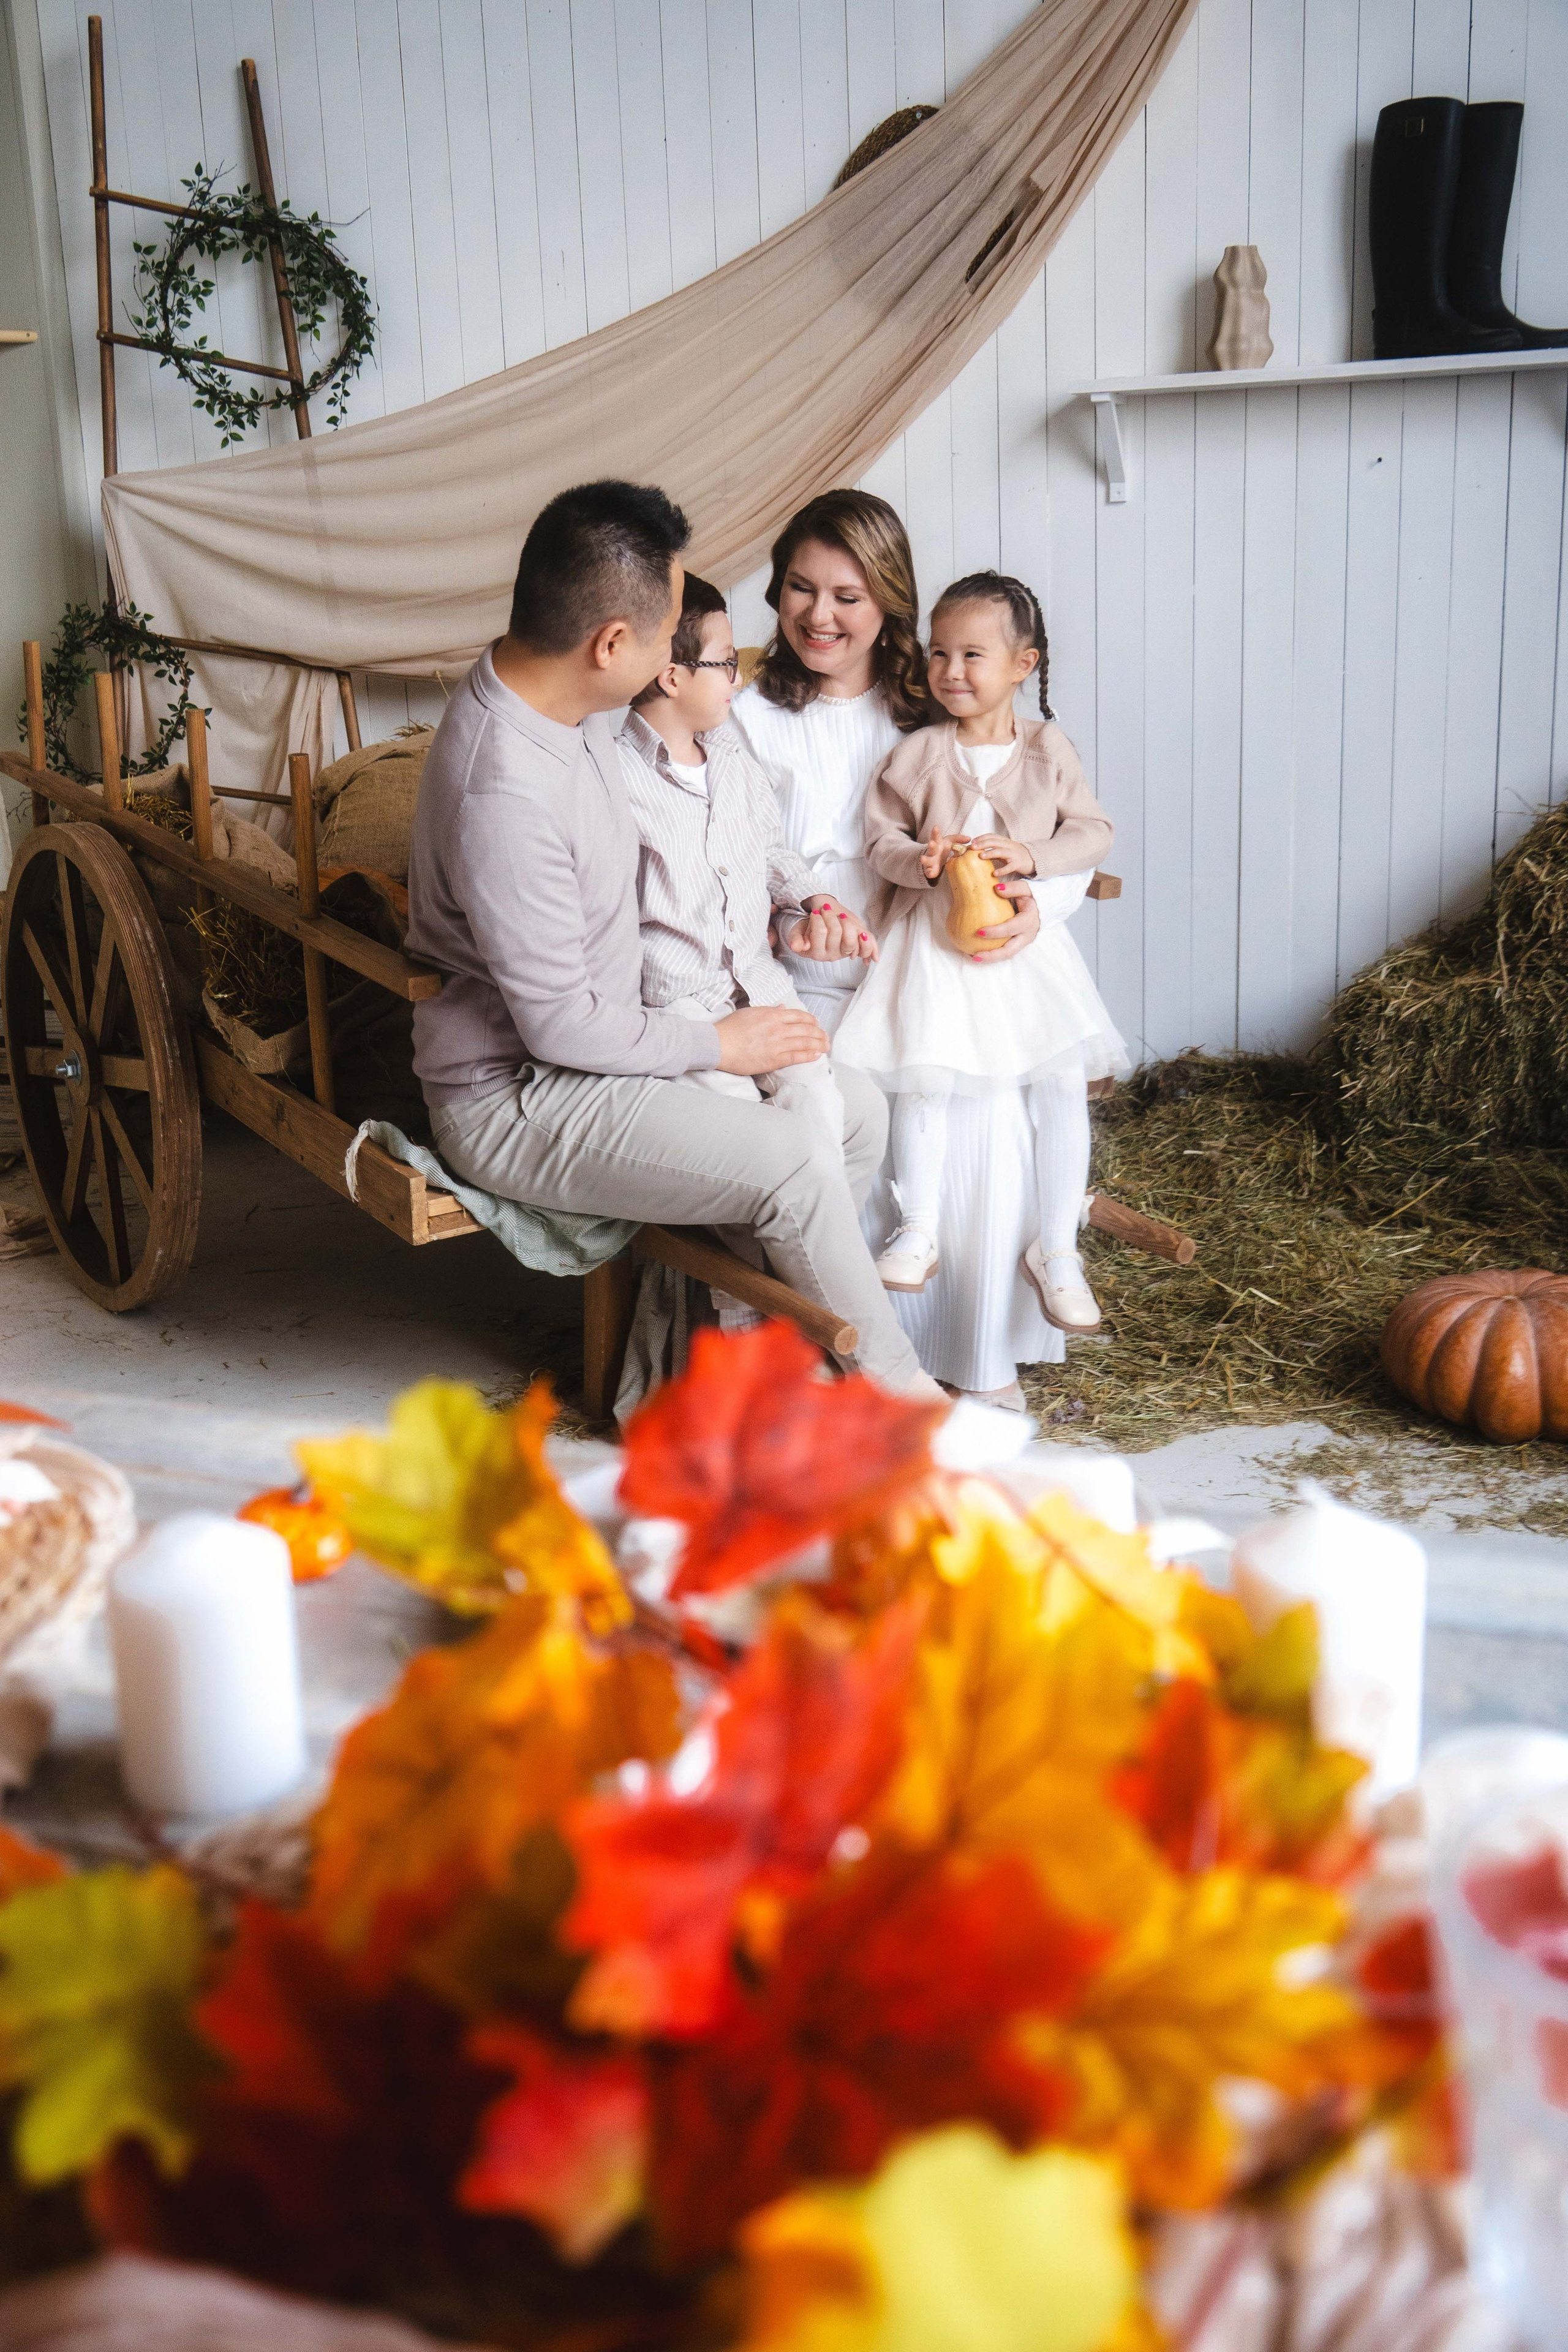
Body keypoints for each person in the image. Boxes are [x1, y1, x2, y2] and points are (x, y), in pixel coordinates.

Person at [404, 478, 937, 1398]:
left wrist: (781, 920)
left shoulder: (563, 703)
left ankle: (737, 1375)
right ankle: (903, 1401)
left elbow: (715, 848)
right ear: (614, 646)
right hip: (523, 1091)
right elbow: (560, 1031)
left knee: (854, 1114)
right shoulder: (506, 789)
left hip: (610, 1041)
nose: (670, 660)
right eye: (662, 637)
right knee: (791, 1166)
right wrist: (721, 1043)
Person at [729, 492, 1067, 1413]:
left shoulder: (940, 705)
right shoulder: (745, 713)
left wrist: (1038, 902)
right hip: (792, 976)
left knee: (979, 1113)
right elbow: (716, 858)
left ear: (890, 601)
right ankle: (846, 1368)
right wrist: (781, 923)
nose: (819, 616)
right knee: (831, 1121)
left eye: (847, 594)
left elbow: (1042, 819)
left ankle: (972, 1351)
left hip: (923, 972)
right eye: (800, 589)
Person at [834, 571, 1129, 1341]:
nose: (951, 673)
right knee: (925, 1078)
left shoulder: (1044, 748)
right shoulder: (918, 753)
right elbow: (880, 842)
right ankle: (917, 1227)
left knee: (1061, 1081)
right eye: (938, 654)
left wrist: (1030, 855)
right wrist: (919, 863)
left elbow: (1091, 832)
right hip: (933, 945)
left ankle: (1058, 1247)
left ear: (1021, 666)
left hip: (1021, 949)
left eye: (972, 655)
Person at [617, 571, 875, 1160]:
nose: (739, 677)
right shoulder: (616, 778)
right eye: (726, 663)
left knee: (818, 1099)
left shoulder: (732, 756)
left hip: (761, 984)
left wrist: (812, 901)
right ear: (671, 675)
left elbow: (771, 851)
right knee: (741, 1132)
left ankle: (811, 1216)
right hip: (683, 1004)